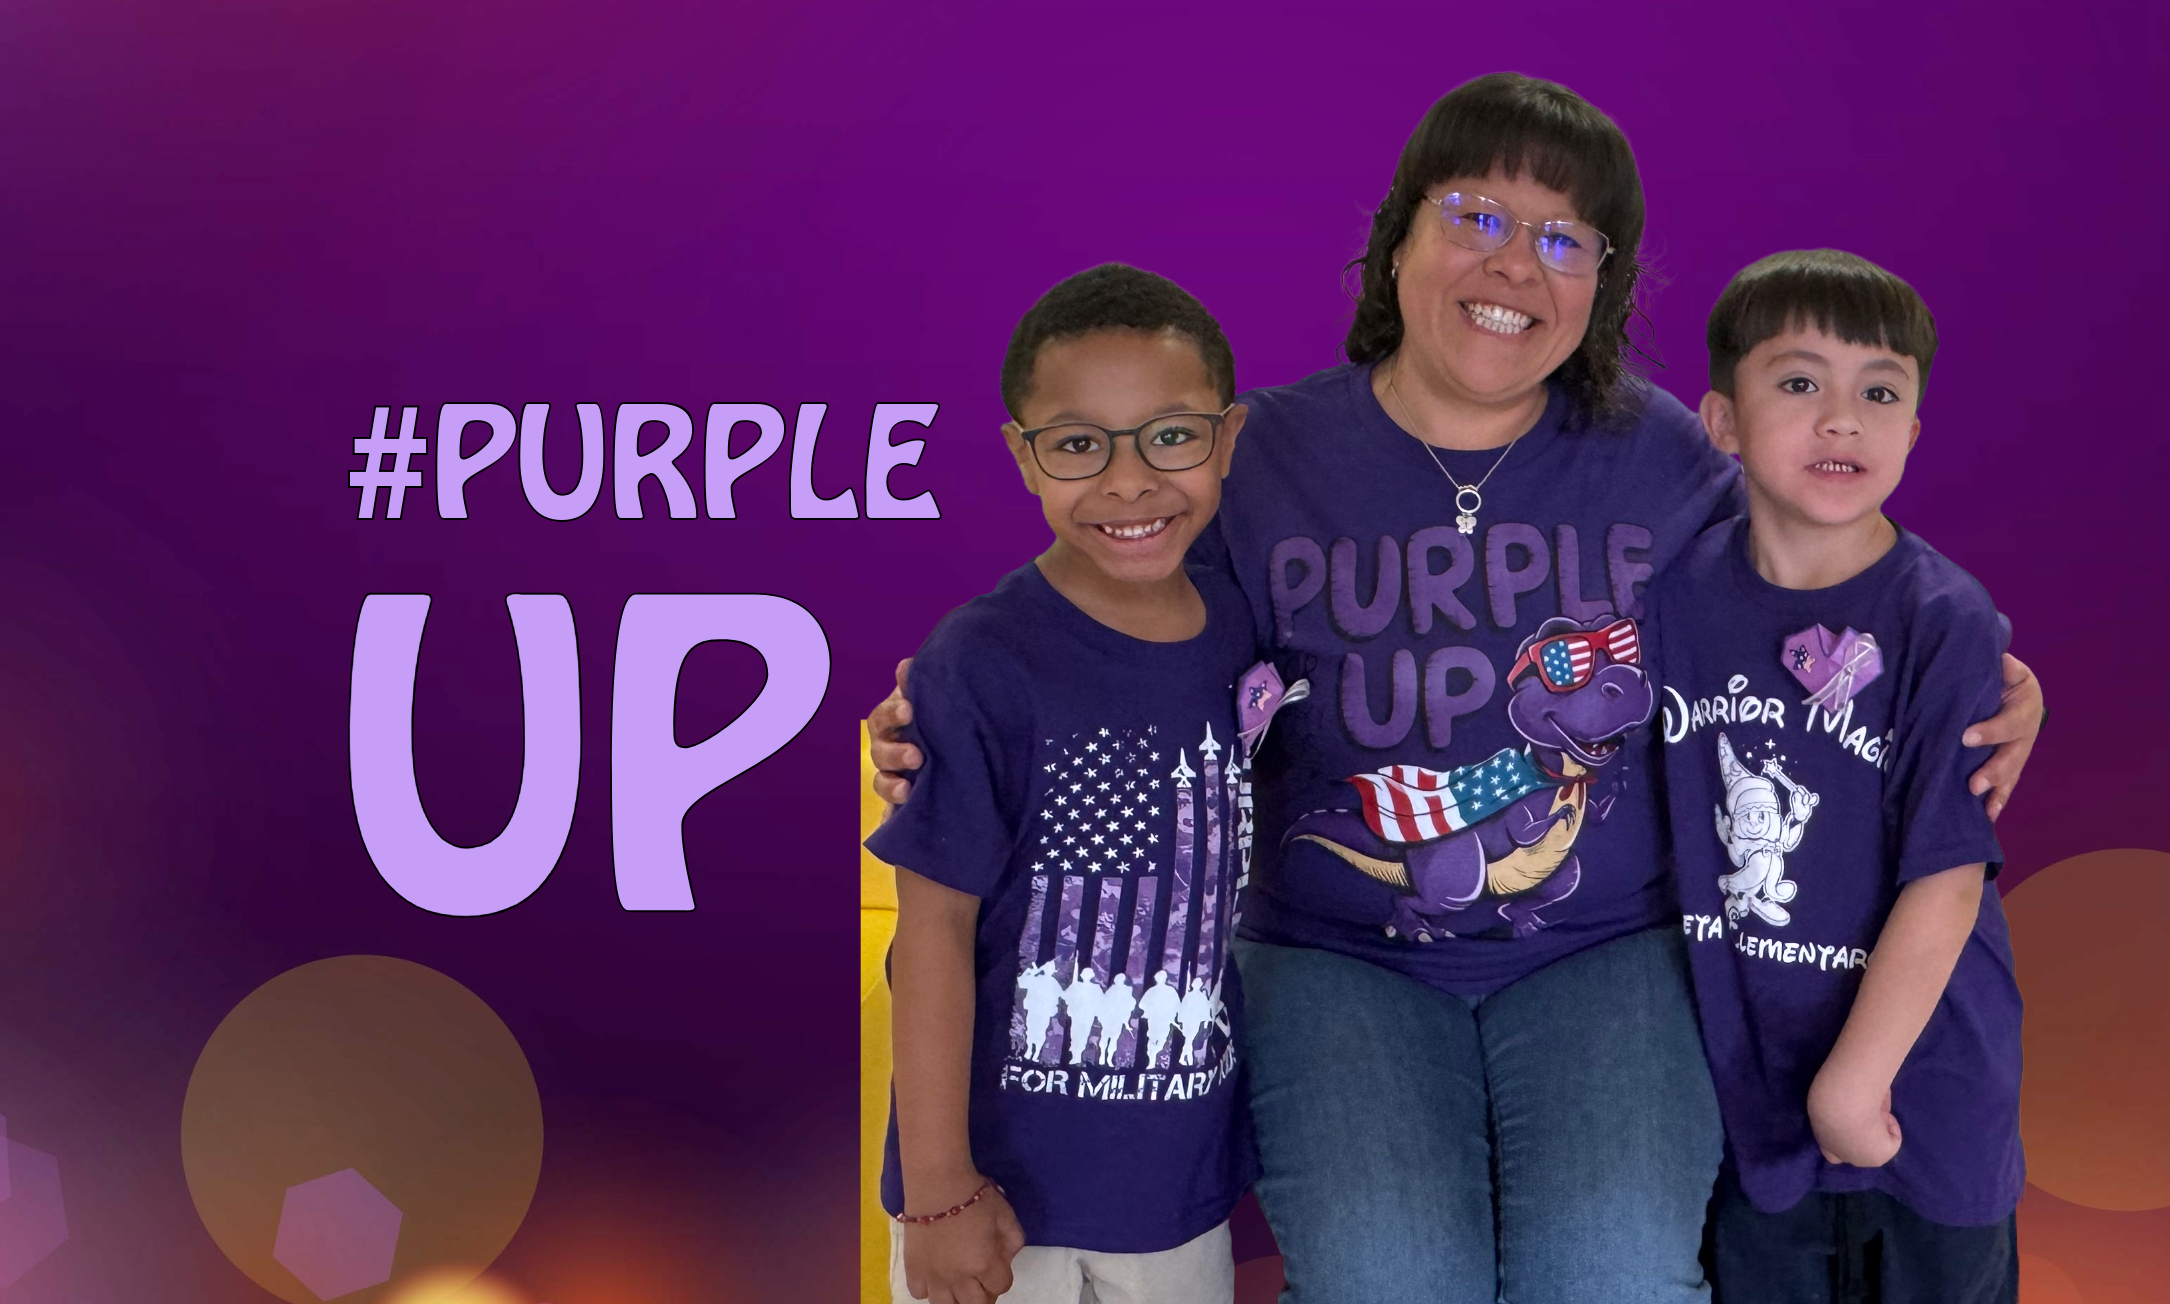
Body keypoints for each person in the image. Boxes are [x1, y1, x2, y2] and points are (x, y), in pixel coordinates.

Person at [874, 74, 2050, 1304]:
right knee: (1391, 1280)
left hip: (1609, 947)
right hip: (1338, 953)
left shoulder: (1668, 458)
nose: (1514, 267)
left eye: (1562, 239)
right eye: (1476, 215)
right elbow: (1117, 606)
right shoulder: (1258, 452)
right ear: (1400, 238)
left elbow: (1834, 574)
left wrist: (1992, 676)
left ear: (1604, 281)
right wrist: (949, 692)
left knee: (1611, 1278)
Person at [873, 264, 1261, 1304]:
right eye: (1079, 443)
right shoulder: (979, 661)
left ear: (1225, 438)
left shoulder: (1246, 628)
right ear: (1023, 454)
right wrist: (940, 1189)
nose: (1129, 481)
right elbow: (932, 935)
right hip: (993, 1194)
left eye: (1171, 435)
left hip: (1175, 1184)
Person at [1650, 249, 2022, 1302]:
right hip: (1752, 1090)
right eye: (1800, 382)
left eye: (1881, 391)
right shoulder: (1675, 600)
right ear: (1722, 421)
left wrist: (1857, 1078)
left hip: (1927, 1090)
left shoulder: (1940, 619)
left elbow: (1949, 870)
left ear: (1913, 429)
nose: (1843, 418)